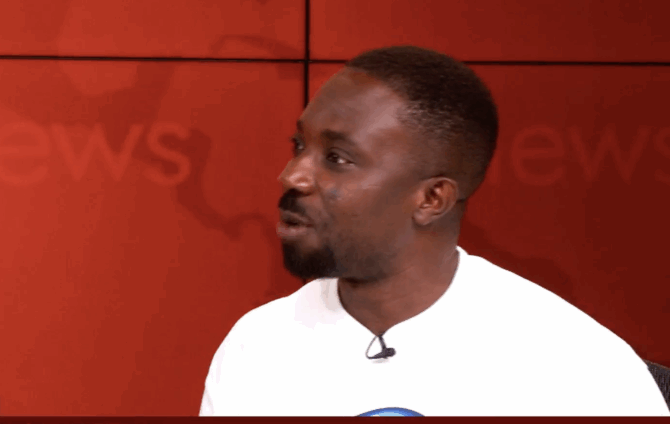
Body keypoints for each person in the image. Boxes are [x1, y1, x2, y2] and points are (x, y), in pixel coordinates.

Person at [199, 45, 669, 416]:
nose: (293, 176)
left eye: (337, 158)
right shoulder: (254, 346)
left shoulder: (579, 367)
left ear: (431, 199)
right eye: (299, 145)